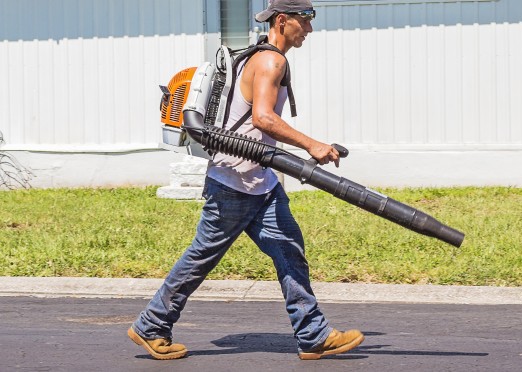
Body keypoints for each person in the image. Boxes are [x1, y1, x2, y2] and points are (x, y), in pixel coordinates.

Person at [128, 0, 364, 360]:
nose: (310, 30)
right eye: (306, 20)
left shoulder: (260, 57)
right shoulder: (272, 60)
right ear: (283, 21)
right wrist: (313, 145)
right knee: (200, 258)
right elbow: (264, 118)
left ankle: (313, 334)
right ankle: (151, 325)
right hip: (234, 183)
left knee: (289, 251)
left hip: (259, 181)